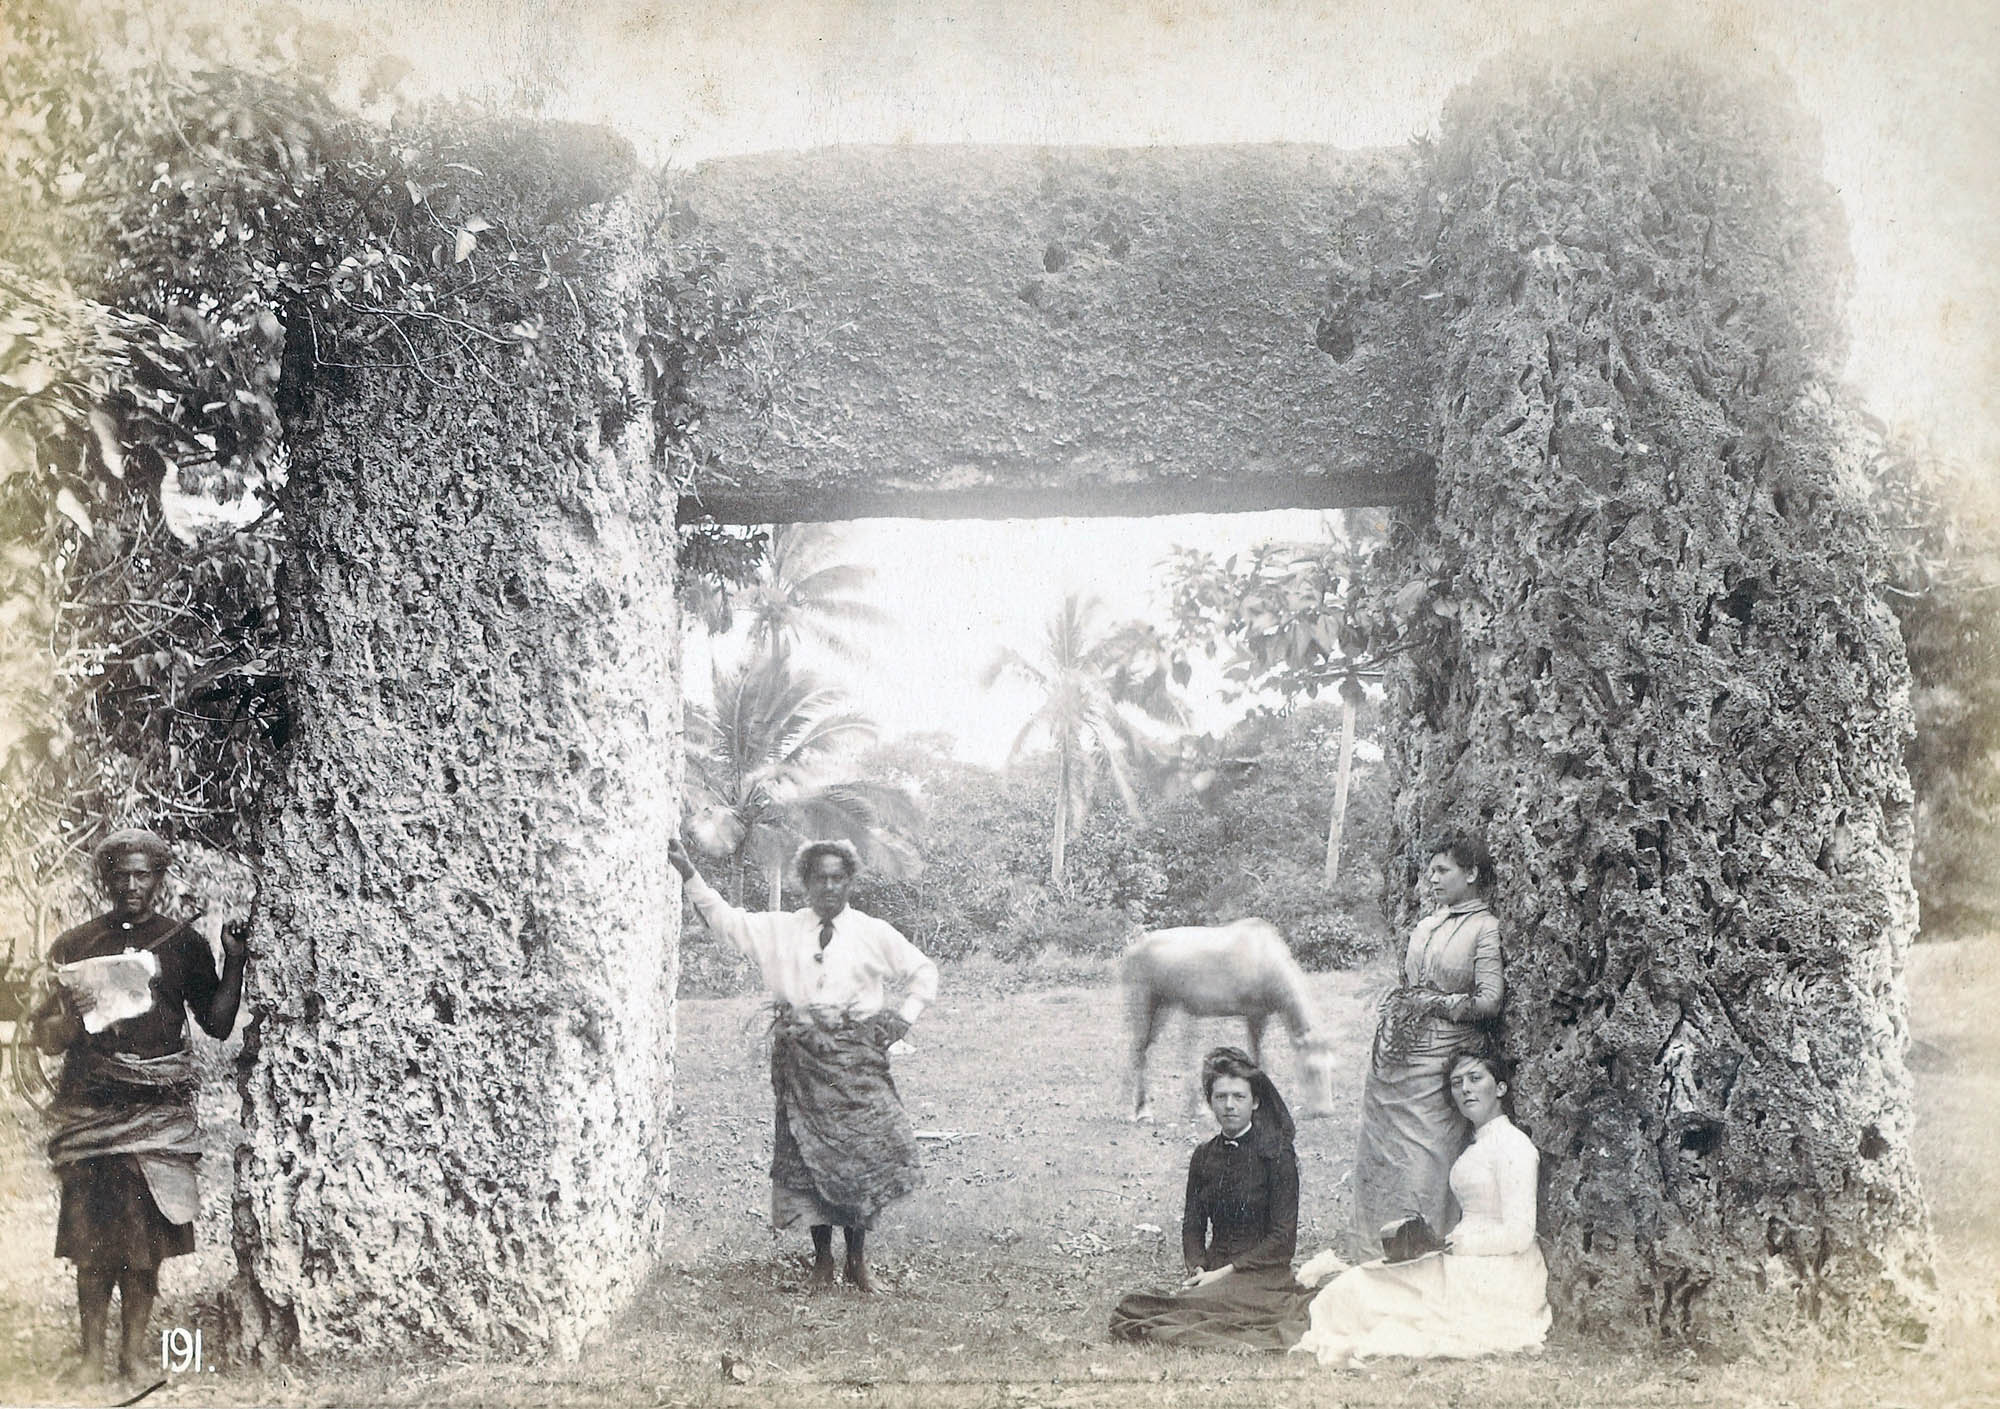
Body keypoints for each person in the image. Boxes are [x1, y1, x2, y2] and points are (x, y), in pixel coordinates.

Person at [667, 834, 937, 1293]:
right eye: (819, 878)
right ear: (806, 883)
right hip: (801, 1061)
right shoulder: (783, 928)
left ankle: (857, 1261)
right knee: (806, 1158)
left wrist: (901, 1019)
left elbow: (923, 972)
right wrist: (689, 873)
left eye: (838, 878)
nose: (829, 887)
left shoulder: (874, 932)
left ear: (850, 882)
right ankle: (821, 1264)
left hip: (856, 1064)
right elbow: (726, 922)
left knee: (860, 1158)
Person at [28, 828, 248, 1383]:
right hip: (91, 1110)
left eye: (142, 874)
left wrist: (235, 963)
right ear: (106, 879)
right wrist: (74, 1015)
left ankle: (130, 1356)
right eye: (120, 874)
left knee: (143, 1244)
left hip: (155, 1116)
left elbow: (218, 1025)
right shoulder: (75, 946)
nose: (131, 885)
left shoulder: (182, 944)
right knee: (89, 1241)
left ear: (159, 879)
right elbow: (48, 1040)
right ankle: (89, 1359)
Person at [1293, 1049, 1550, 1367]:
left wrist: (1462, 1246)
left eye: (1475, 1078)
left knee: (1360, 1293)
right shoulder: (1478, 1144)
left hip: (1501, 1273)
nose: (1465, 1089)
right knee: (1361, 1286)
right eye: (1457, 1083)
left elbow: (1520, 1234)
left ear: (1500, 1088)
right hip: (1467, 1261)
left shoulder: (1514, 1145)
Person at [1351, 834, 1504, 1243]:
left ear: (1471, 873)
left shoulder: (1485, 928)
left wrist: (1436, 1003)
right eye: (1430, 872)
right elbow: (1408, 985)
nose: (1432, 880)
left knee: (1426, 1155)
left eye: (1443, 871)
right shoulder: (1427, 925)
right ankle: (1375, 1251)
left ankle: (1423, 1247)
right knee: (1382, 1156)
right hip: (1395, 1059)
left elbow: (1489, 1001)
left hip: (1441, 1058)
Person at [1108, 1047, 1311, 1351]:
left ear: (1255, 1102)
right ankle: (1206, 1295)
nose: (1230, 1106)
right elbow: (1193, 1225)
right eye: (1221, 1097)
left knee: (1166, 1315)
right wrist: (1198, 1268)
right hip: (1213, 1270)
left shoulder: (1277, 1155)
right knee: (1133, 1306)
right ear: (1211, 1102)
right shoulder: (1204, 1156)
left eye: (1239, 1097)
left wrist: (1224, 1273)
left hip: (1262, 1274)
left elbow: (1283, 1240)